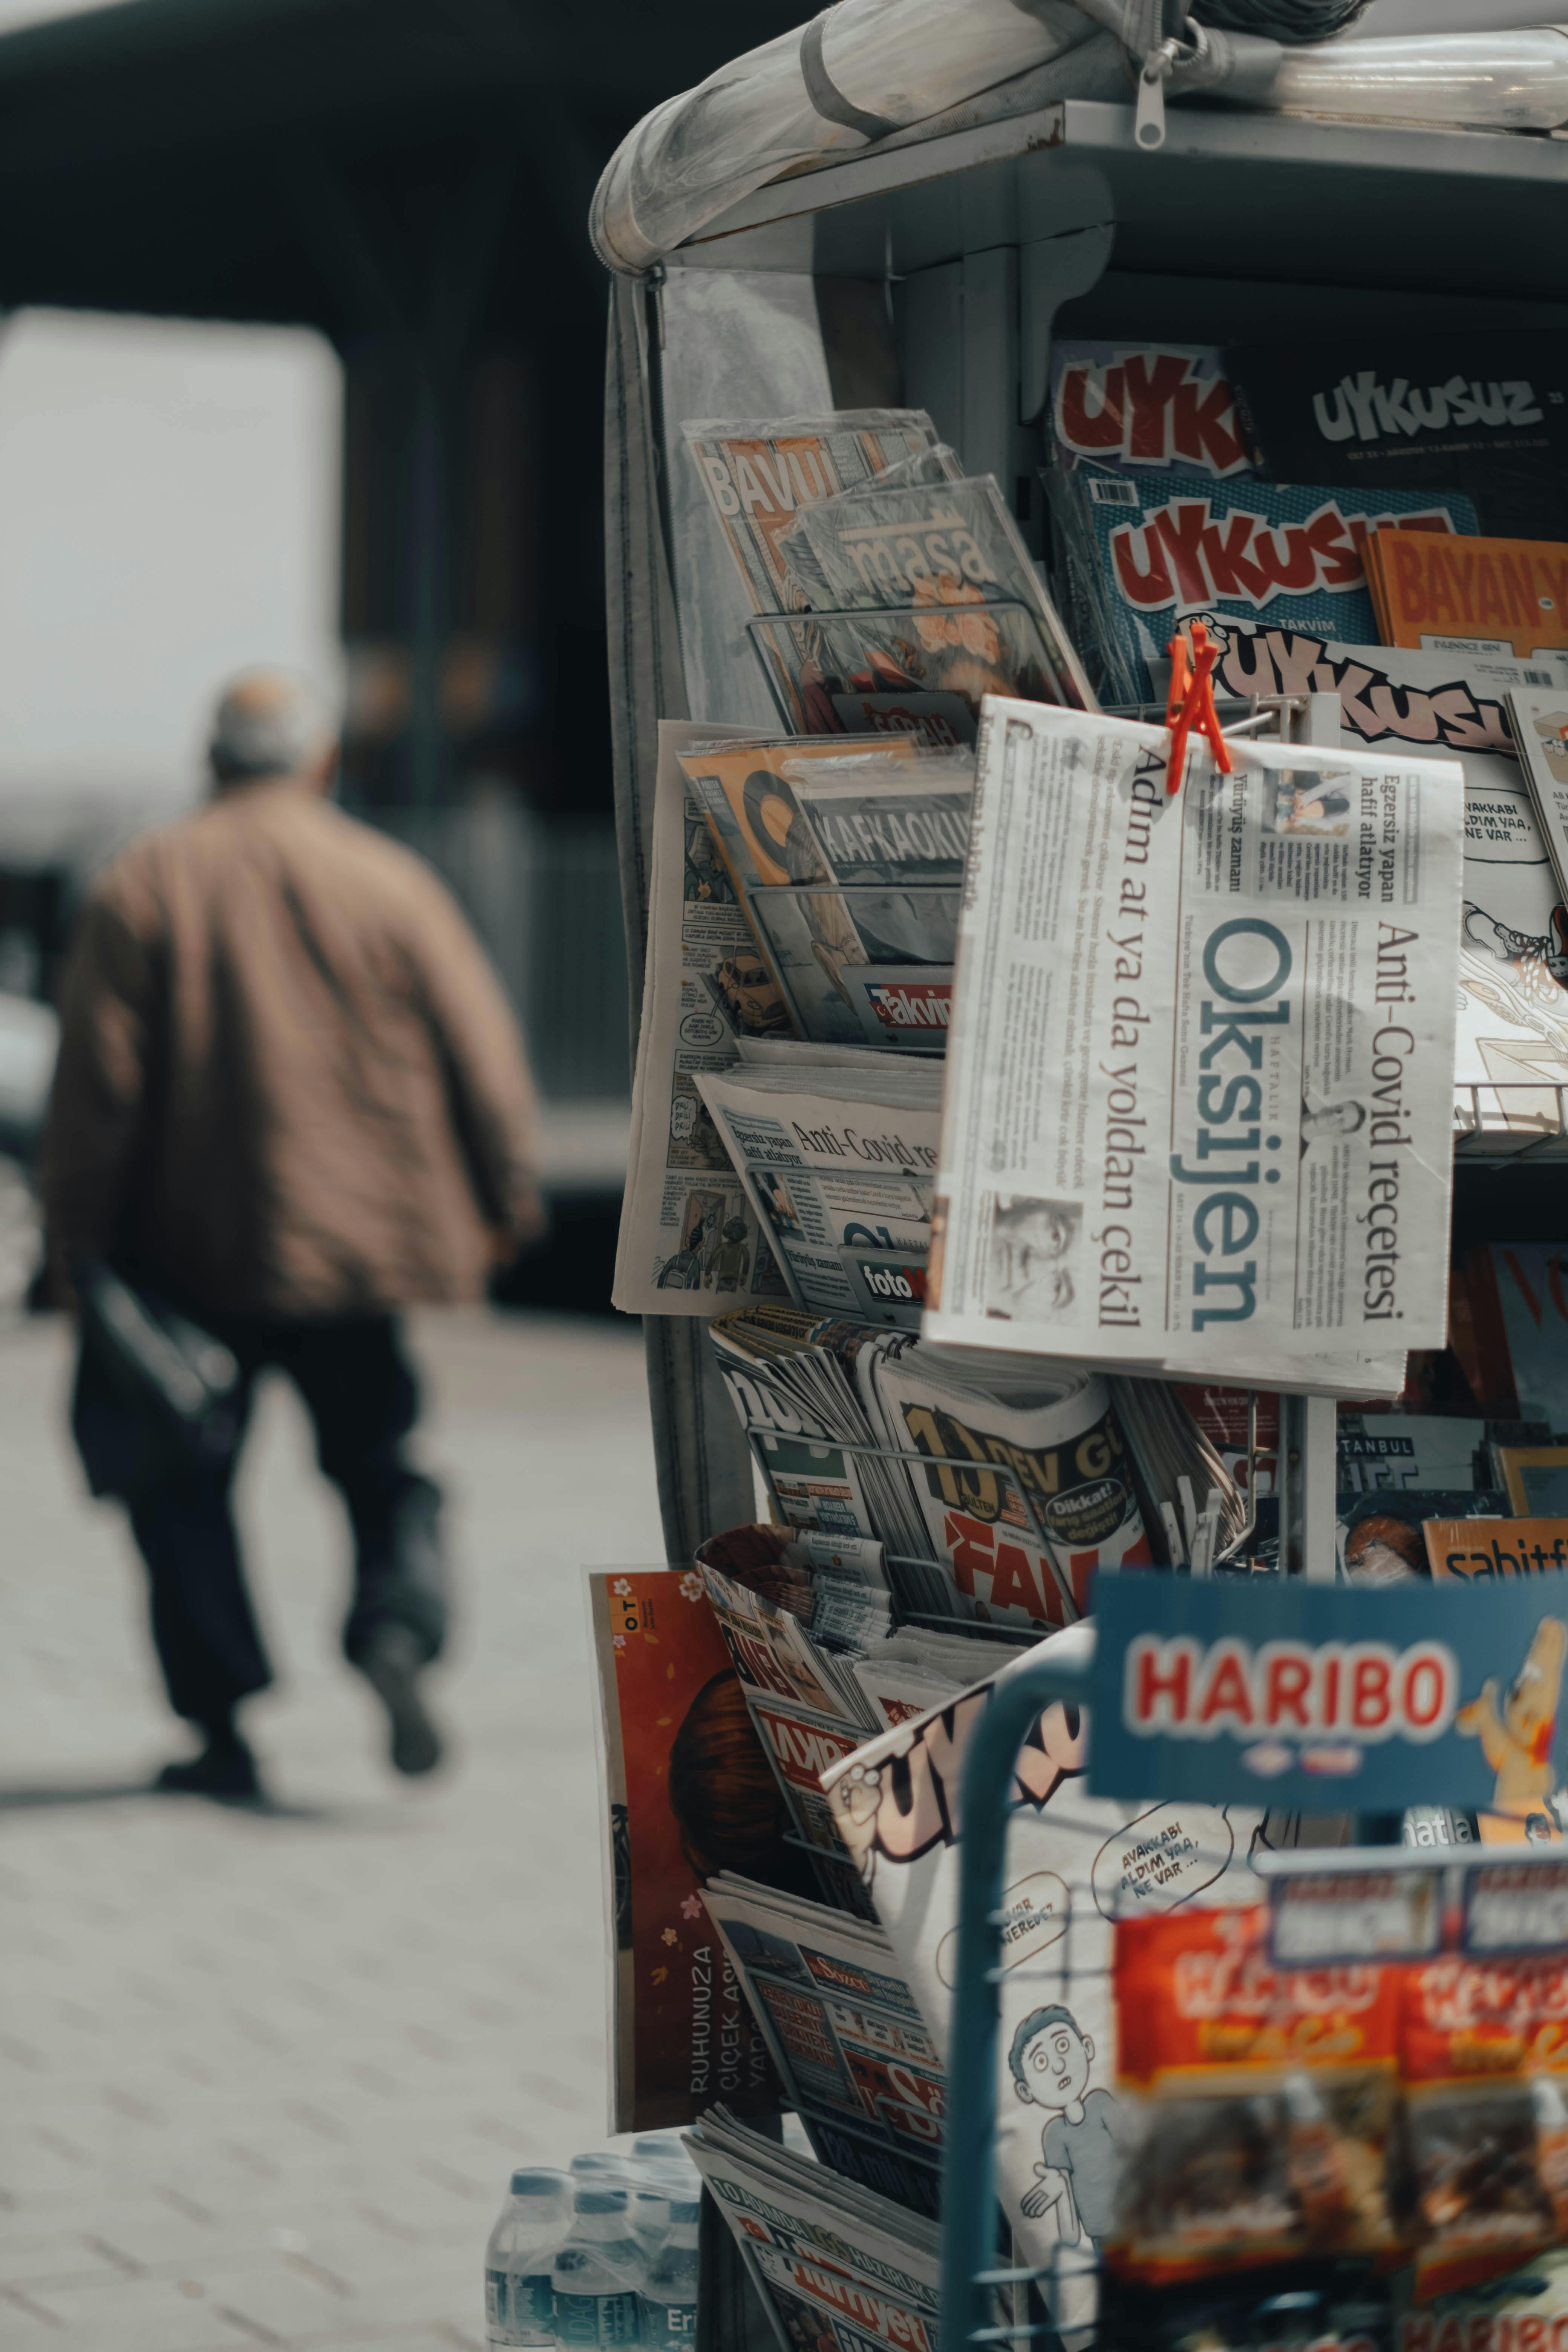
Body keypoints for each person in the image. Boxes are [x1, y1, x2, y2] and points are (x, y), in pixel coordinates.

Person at [41, 671, 546, 1799]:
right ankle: (396, 1632)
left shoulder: (145, 882)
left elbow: (96, 1091)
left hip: (188, 1255)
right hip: (356, 1258)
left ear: (211, 759)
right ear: (319, 761)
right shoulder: (388, 881)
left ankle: (222, 1727)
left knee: (179, 1487)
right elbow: (485, 1056)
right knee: (380, 1462)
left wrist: (74, 1241)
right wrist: (508, 1196)